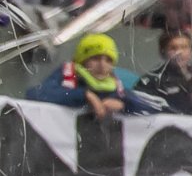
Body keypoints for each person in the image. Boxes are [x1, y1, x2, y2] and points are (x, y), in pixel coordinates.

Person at [26, 32, 160, 118]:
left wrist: (124, 105)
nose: (102, 65)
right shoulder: (68, 75)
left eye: (108, 60)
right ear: (82, 61)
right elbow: (34, 94)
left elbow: (154, 109)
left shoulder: (115, 86)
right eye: (95, 58)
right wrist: (84, 95)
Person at [135, 29, 192, 117]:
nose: (179, 52)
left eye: (184, 47)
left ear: (191, 51)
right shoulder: (153, 80)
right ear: (163, 52)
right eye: (173, 48)